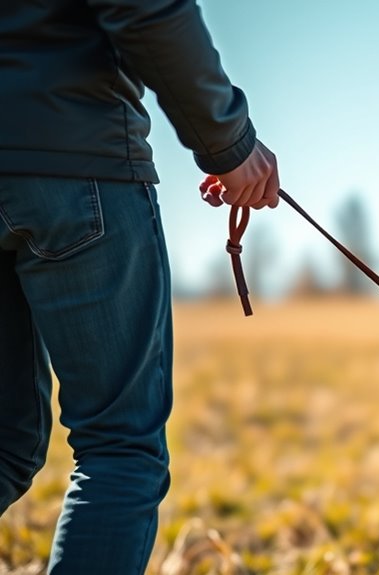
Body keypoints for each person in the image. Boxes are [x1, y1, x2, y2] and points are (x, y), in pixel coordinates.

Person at [0, 0, 279, 572]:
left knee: (4, 443)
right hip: (74, 167)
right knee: (119, 447)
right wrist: (228, 143)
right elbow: (145, 7)